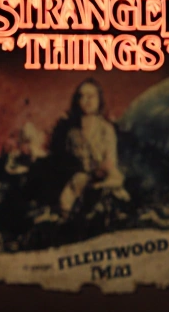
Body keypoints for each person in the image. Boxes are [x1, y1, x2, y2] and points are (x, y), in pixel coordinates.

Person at [49, 78, 131, 215]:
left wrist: (99, 175)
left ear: (99, 100)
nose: (87, 101)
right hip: (80, 177)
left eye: (91, 96)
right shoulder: (72, 133)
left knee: (108, 191)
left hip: (105, 175)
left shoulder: (106, 129)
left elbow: (110, 161)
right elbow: (67, 160)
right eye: (82, 96)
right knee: (64, 203)